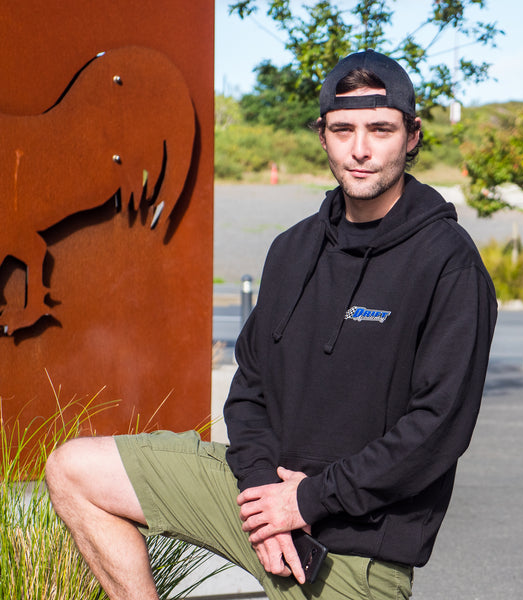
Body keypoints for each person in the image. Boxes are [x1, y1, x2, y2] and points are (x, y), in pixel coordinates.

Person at [45, 50, 497, 600]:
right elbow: (250, 390)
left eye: (380, 129)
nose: (360, 149)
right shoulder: (293, 249)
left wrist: (305, 502)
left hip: (354, 548)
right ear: (323, 135)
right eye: (343, 129)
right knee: (74, 471)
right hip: (258, 502)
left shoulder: (447, 262)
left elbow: (436, 430)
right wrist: (265, 493)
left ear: (412, 136)